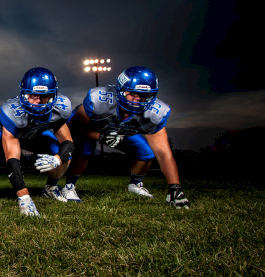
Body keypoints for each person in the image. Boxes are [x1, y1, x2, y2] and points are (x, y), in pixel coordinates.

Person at [63, 66, 190, 209]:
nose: (138, 99)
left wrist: (175, 188)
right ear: (121, 90)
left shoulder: (155, 113)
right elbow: (74, 128)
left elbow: (163, 152)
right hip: (92, 128)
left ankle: (135, 184)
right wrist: (101, 136)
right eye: (133, 93)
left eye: (144, 95)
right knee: (85, 150)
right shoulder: (98, 100)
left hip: (121, 130)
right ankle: (69, 186)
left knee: (146, 153)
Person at [0, 67, 74, 217]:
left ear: (53, 95)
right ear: (24, 94)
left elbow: (68, 142)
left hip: (37, 133)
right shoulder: (11, 112)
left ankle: (51, 187)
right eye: (33, 95)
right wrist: (24, 198)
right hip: (8, 132)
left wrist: (57, 158)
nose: (38, 101)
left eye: (44, 96)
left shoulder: (60, 108)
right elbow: (12, 160)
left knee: (65, 156)